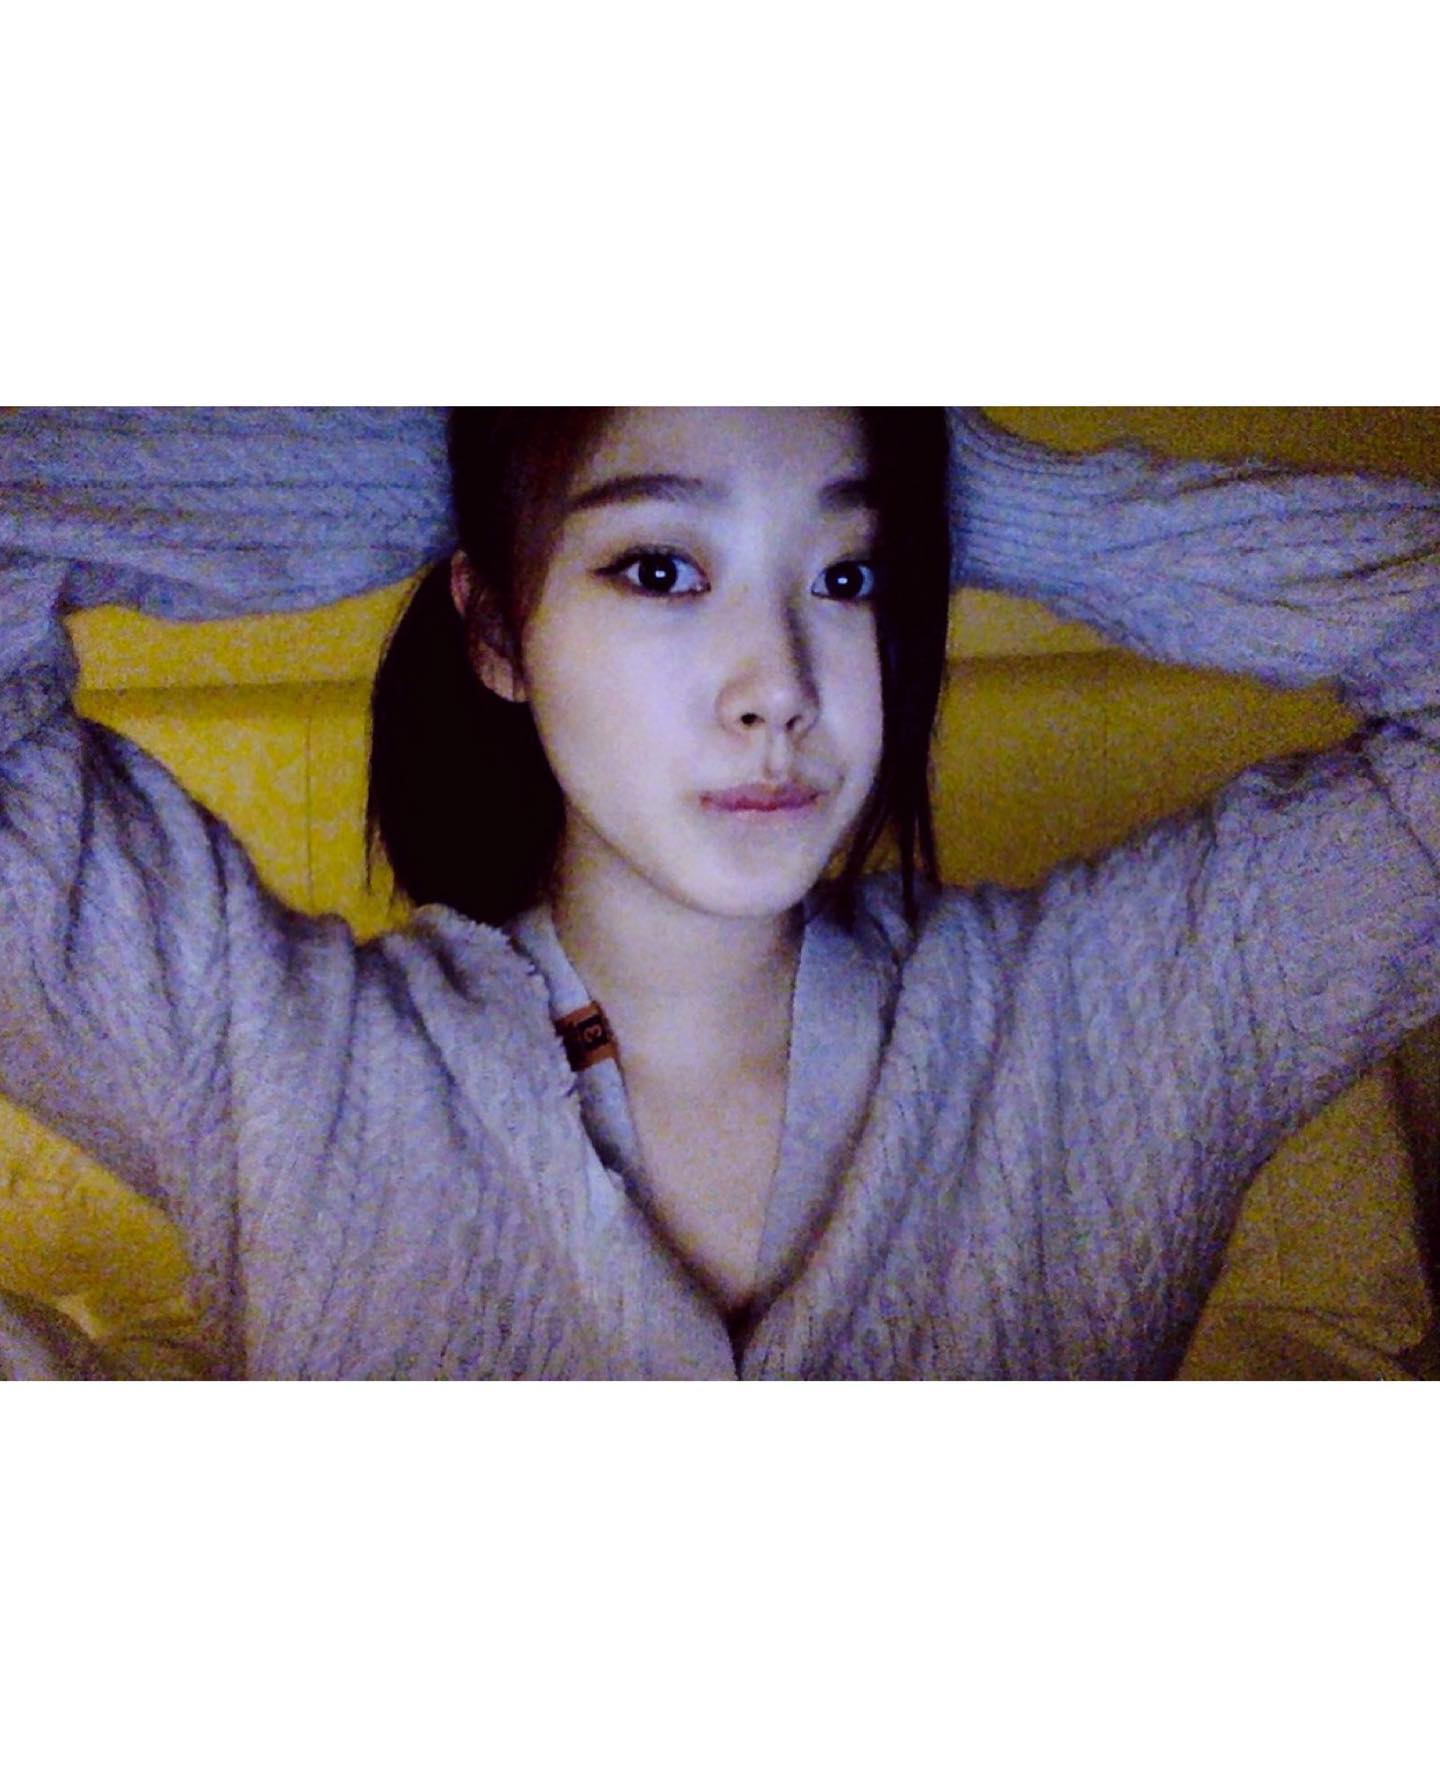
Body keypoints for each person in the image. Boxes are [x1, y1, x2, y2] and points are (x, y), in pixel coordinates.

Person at [0, 407, 1435, 1379]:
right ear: (499, 627)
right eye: (660, 565)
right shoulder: (270, 1059)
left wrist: (975, 492)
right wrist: (471, 444)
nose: (779, 686)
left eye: (852, 576)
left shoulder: (1122, 1021)